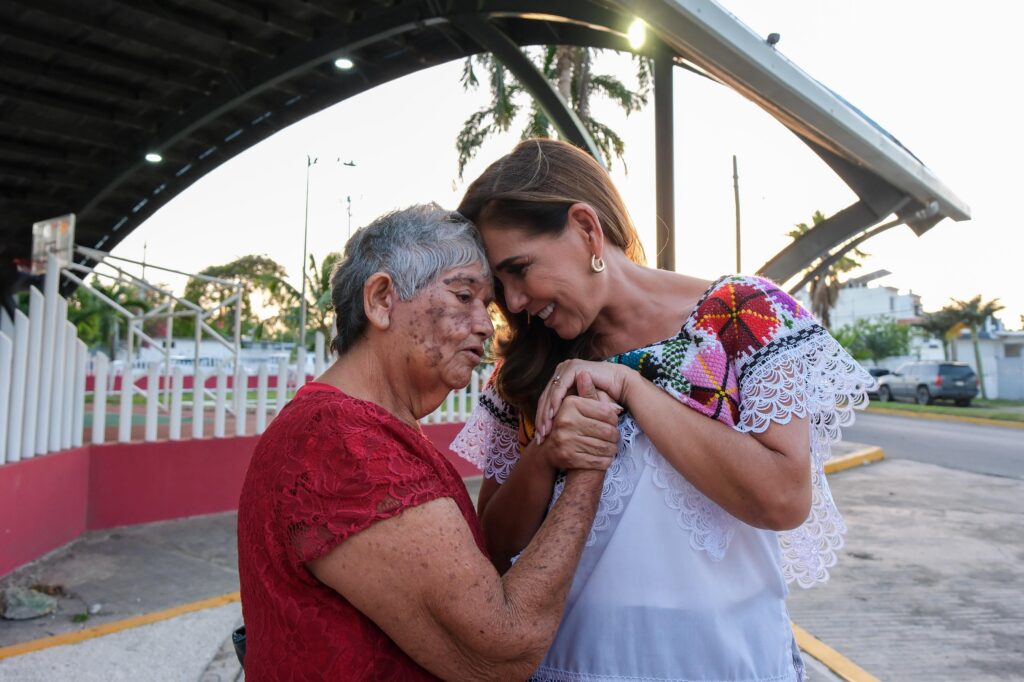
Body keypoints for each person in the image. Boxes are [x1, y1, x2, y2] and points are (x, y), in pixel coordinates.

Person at [452, 139, 874, 682]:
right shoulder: (527, 370)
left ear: (586, 229)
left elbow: (783, 498)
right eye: (499, 287)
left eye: (520, 269)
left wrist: (632, 387)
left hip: (726, 662)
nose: (512, 303)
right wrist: (547, 452)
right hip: (572, 664)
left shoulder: (744, 316)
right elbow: (494, 541)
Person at [236, 204, 622, 680]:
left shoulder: (364, 428)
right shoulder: (342, 440)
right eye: (464, 296)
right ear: (381, 300)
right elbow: (502, 647)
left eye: (489, 307)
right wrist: (588, 464)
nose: (485, 325)